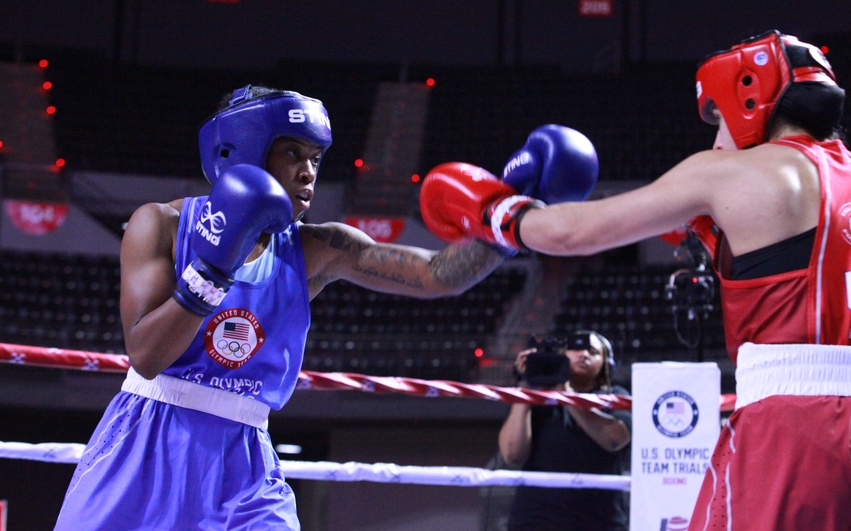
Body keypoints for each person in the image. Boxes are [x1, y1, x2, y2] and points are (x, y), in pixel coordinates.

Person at [420, 30, 851, 530]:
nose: (720, 134)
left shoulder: (733, 173)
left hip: (795, 422)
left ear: (749, 98)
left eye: (719, 116)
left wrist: (497, 210)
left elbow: (569, 235)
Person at [54, 85, 598, 530]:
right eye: (292, 152)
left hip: (244, 457)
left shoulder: (315, 246)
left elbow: (437, 276)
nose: (309, 171)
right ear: (240, 149)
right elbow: (146, 354)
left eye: (315, 158)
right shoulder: (163, 225)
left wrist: (505, 214)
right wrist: (216, 266)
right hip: (149, 440)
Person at [499, 330, 631, 531]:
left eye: (592, 351)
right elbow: (512, 455)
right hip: (535, 521)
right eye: (575, 349)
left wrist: (566, 394)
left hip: (599, 522)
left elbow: (614, 439)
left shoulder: (614, 396)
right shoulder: (535, 399)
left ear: (606, 364)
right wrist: (524, 389)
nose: (583, 355)